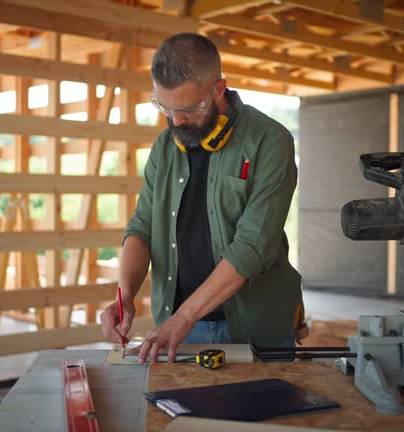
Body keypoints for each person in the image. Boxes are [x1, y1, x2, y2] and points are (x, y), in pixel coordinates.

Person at [100, 33, 303, 364]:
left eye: (190, 108)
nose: (177, 120)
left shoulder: (270, 141)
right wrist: (125, 297)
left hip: (256, 329)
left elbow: (253, 246)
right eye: (165, 106)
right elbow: (143, 227)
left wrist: (185, 316)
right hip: (179, 328)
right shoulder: (164, 148)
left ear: (219, 88)